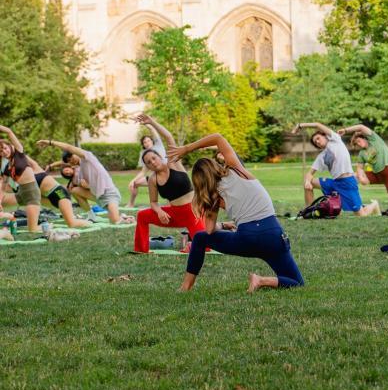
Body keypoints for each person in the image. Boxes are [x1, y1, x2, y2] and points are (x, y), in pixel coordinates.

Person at [168, 133, 304, 293]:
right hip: (274, 235)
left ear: (199, 181)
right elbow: (218, 137)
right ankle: (261, 280)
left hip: (248, 238)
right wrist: (187, 148)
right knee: (296, 281)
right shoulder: (237, 169)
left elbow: (209, 230)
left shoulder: (212, 196)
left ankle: (185, 287)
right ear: (215, 165)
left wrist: (224, 225)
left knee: (200, 238)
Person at [133, 114, 204, 253]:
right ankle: (141, 249)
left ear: (159, 156)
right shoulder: (153, 179)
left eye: (154, 158)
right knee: (142, 215)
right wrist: (159, 212)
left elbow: (169, 137)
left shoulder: (173, 162)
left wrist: (151, 122)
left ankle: (196, 240)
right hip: (173, 215)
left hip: (192, 211)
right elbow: (153, 202)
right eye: (148, 162)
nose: (153, 162)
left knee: (205, 246)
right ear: (147, 166)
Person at [36, 139, 133, 224]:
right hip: (98, 197)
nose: (72, 161)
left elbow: (68, 147)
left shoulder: (87, 157)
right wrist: (51, 166)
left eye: (72, 157)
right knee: (74, 191)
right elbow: (63, 162)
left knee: (115, 221)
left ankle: (125, 217)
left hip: (109, 193)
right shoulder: (80, 168)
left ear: (75, 153)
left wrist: (50, 142)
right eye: (69, 161)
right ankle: (92, 216)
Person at [293, 122, 380, 216]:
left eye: (318, 138)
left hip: (347, 183)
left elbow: (317, 125)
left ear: (325, 136)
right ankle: (308, 212)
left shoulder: (335, 139)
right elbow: (309, 173)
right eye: (315, 142)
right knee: (310, 182)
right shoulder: (321, 156)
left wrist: (300, 125)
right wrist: (307, 182)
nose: (317, 142)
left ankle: (374, 204)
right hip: (334, 183)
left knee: (361, 215)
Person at [338, 124, 388, 207]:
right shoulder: (362, 153)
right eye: (357, 143)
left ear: (364, 137)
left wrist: (345, 130)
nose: (359, 144)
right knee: (353, 176)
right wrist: (361, 178)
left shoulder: (374, 140)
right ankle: (345, 198)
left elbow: (361, 127)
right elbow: (360, 168)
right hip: (377, 175)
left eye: (359, 141)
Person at [26, 155, 91, 228]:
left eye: (67, 170)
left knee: (72, 223)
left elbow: (64, 162)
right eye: (66, 173)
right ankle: (74, 215)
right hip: (47, 197)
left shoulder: (36, 168)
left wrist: (51, 165)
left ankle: (89, 222)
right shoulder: (73, 180)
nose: (67, 172)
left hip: (60, 195)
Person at [0, 125, 42, 232]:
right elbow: (3, 187)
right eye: (1, 151)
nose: (4, 152)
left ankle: (46, 226)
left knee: (32, 230)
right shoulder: (7, 167)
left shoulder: (19, 153)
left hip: (31, 194)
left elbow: (9, 132)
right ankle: (8, 216)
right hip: (20, 194)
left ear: (9, 146)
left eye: (5, 148)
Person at [128, 126, 167, 206]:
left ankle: (168, 204)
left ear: (152, 141)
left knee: (170, 202)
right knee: (135, 183)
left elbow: (153, 130)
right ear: (143, 145)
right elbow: (144, 171)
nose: (147, 143)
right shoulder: (144, 154)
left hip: (167, 176)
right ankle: (130, 204)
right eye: (145, 142)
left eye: (148, 141)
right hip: (155, 178)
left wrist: (147, 123)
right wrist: (133, 180)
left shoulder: (158, 146)